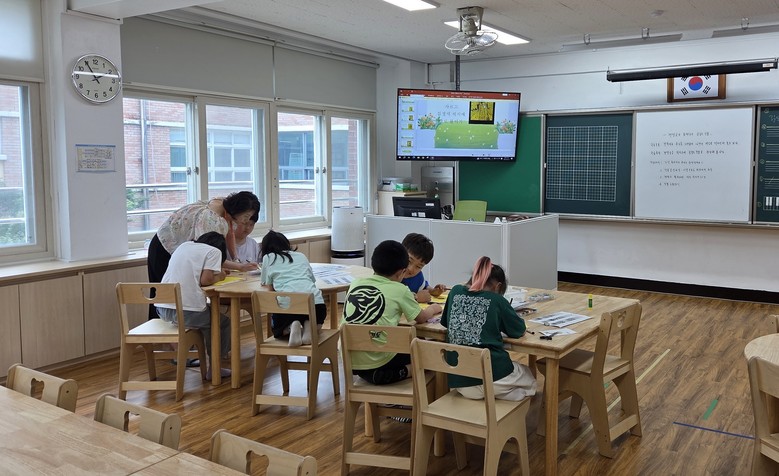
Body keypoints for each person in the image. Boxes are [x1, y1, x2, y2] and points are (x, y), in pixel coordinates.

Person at [341, 239, 442, 385]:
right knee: (429, 352)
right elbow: (421, 318)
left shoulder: (356, 283)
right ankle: (401, 372)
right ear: (401, 273)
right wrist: (433, 308)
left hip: (349, 356)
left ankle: (372, 373)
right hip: (378, 356)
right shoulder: (400, 290)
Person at [146, 191, 261, 318]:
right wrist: (239, 266)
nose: (247, 220)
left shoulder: (226, 206)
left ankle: (175, 325)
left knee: (168, 299)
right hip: (164, 248)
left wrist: (236, 259)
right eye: (246, 216)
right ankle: (161, 328)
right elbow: (206, 254)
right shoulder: (210, 220)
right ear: (237, 210)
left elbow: (230, 233)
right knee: (162, 295)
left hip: (176, 247)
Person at [441, 256, 536, 401]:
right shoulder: (496, 300)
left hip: (461, 383)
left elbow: (446, 322)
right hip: (493, 376)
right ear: (498, 286)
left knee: (502, 386)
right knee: (529, 377)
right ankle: (506, 397)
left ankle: (494, 398)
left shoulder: (455, 291)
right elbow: (519, 330)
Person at [155, 231, 232, 380]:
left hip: (162, 308)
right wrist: (221, 276)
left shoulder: (184, 246)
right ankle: (215, 367)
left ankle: (209, 361)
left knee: (209, 317)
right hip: (185, 311)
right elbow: (206, 280)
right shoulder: (214, 251)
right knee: (221, 322)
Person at [260, 230, 325, 347]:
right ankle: (310, 326)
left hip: (288, 308)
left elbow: (269, 287)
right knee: (317, 321)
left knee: (277, 328)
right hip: (316, 303)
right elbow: (311, 280)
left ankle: (291, 326)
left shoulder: (268, 258)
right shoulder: (301, 256)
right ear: (287, 244)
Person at [400, 232, 446, 303]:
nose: (411, 269)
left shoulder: (418, 276)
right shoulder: (390, 273)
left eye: (418, 267)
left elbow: (424, 287)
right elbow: (389, 297)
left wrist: (433, 291)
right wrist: (416, 298)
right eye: (409, 261)